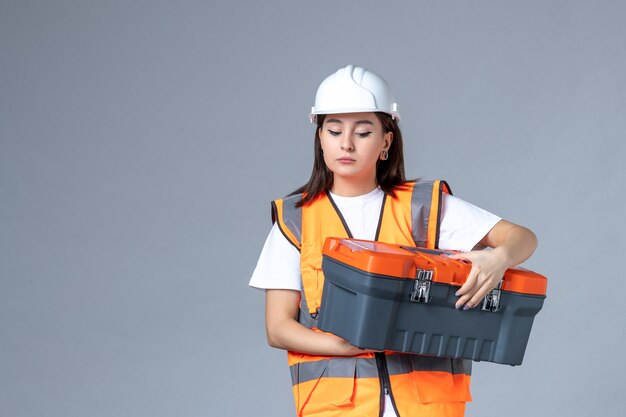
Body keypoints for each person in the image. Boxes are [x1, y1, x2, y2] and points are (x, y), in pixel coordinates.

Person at [249, 65, 538, 417]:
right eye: (334, 130)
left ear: (386, 140)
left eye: (363, 131)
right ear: (320, 136)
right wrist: (344, 346)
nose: (346, 143)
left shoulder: (423, 207)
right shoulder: (296, 220)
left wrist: (499, 258)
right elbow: (278, 328)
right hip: (339, 406)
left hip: (426, 405)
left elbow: (522, 237)